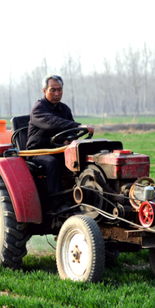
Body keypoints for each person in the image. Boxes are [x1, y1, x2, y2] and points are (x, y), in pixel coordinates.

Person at [27, 75, 94, 213]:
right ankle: (56, 205)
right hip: (37, 152)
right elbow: (53, 123)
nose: (57, 93)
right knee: (52, 163)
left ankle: (85, 196)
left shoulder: (64, 109)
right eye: (53, 90)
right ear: (44, 91)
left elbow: (72, 133)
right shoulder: (38, 108)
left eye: (60, 90)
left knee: (83, 158)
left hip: (58, 149)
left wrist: (70, 138)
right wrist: (79, 126)